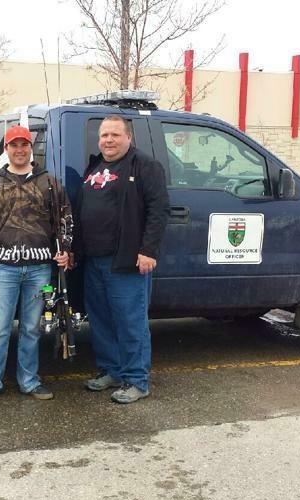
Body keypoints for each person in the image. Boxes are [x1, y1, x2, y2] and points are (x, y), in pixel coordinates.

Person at [0, 125, 72, 403]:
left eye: (24, 144)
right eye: (14, 145)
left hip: (40, 270)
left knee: (31, 329)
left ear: (31, 148)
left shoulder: (50, 182)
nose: (19, 150)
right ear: (6, 149)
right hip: (3, 269)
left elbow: (64, 221)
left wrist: (66, 252)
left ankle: (29, 381)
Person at [77, 115, 168, 404]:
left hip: (126, 260)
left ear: (128, 137)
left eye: (115, 135)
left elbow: (159, 210)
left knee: (130, 322)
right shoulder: (95, 166)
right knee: (101, 319)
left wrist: (148, 250)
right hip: (94, 259)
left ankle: (136, 380)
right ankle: (111, 371)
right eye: (104, 135)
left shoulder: (145, 166)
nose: (108, 140)